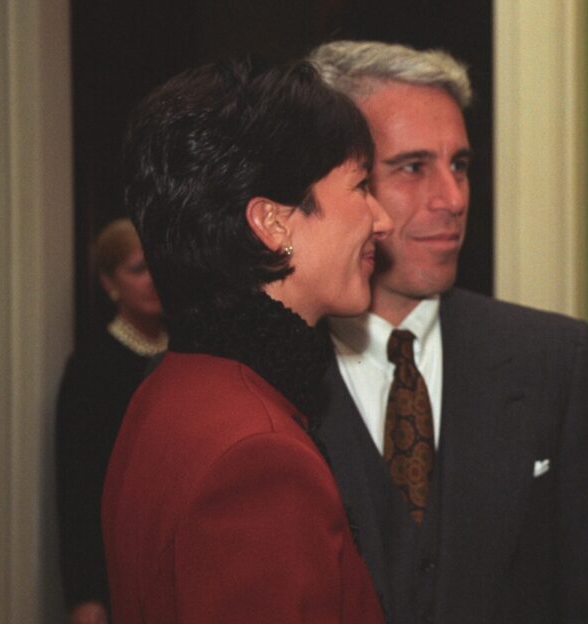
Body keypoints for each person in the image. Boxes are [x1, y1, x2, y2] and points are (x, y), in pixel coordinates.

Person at [306, 41, 588, 624]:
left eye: (459, 166)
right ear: (341, 183)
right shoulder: (262, 377)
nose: (452, 198)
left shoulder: (553, 360)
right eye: (412, 168)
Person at [101, 58, 391, 623]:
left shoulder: (171, 388)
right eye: (361, 185)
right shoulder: (258, 456)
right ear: (273, 223)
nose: (380, 220)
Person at [56, 217, 166, 624]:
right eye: (138, 269)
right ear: (109, 283)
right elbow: (77, 487)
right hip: (119, 568)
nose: (153, 279)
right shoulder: (91, 367)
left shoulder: (188, 353)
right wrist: (86, 597)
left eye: (157, 265)